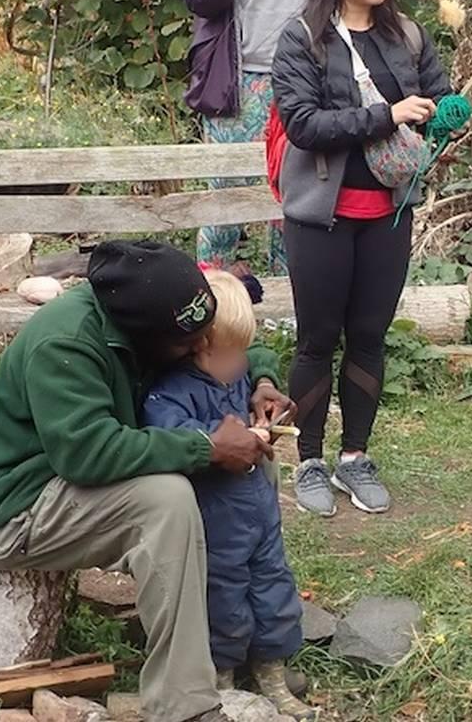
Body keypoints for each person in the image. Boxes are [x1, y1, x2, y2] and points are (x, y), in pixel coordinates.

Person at [0, 240, 292, 722]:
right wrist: (207, 447)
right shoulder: (67, 343)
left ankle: (240, 645)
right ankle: (184, 705)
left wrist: (261, 379)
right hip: (23, 508)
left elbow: (223, 336)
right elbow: (89, 454)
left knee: (245, 469)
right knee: (167, 499)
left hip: (76, 486)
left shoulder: (160, 315)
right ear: (143, 336)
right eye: (190, 343)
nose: (202, 347)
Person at [272, 0, 454, 518]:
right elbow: (303, 125)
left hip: (388, 213)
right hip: (320, 216)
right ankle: (310, 461)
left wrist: (451, 115)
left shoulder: (406, 34)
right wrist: (388, 114)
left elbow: (436, 98)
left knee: (370, 337)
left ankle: (355, 457)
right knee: (318, 339)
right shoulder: (302, 37)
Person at [141, 269, 317, 720]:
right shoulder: (172, 393)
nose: (243, 362)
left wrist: (264, 417)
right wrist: (215, 442)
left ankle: (271, 669)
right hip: (216, 519)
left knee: (274, 584)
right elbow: (170, 438)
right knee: (223, 594)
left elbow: (252, 375)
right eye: (232, 353)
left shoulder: (235, 376)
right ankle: (222, 676)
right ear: (199, 346)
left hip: (257, 508)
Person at [184, 0, 328, 275]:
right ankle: (211, 299)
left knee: (292, 196)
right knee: (226, 193)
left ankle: (289, 305)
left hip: (300, 73)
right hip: (238, 77)